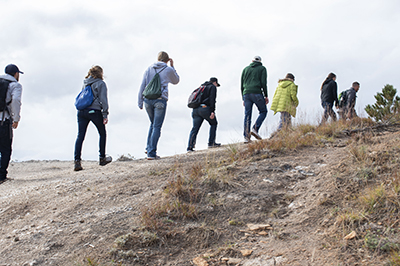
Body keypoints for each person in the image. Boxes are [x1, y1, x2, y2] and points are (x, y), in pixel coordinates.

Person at [138, 51, 180, 160]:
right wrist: (173, 67)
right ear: (167, 60)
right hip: (160, 100)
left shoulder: (148, 69)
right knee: (156, 126)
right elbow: (176, 81)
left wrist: (140, 101)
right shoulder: (168, 69)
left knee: (152, 124)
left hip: (147, 100)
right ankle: (151, 153)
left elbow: (143, 85)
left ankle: (149, 148)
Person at [74, 65, 112, 171]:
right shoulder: (101, 83)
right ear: (100, 73)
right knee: (102, 133)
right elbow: (103, 100)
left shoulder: (85, 82)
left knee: (80, 136)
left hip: (81, 111)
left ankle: (77, 162)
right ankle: (102, 158)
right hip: (94, 111)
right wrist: (105, 114)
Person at [0, 64, 23, 184]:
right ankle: (1, 176)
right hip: (4, 120)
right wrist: (16, 119)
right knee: (5, 149)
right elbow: (15, 101)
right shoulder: (15, 85)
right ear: (16, 74)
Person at [187, 77, 221, 152]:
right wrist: (212, 111)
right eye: (216, 84)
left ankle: (190, 147)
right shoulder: (212, 87)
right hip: (205, 108)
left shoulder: (202, 86)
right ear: (215, 82)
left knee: (195, 128)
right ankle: (211, 143)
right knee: (214, 123)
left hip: (195, 109)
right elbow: (212, 99)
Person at [241, 56, 268, 143]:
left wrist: (243, 98)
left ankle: (246, 137)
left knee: (247, 115)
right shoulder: (262, 68)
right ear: (260, 61)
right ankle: (255, 129)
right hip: (257, 92)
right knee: (263, 111)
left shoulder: (245, 69)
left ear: (252, 61)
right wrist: (266, 95)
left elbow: (241, 84)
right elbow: (263, 82)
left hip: (246, 93)